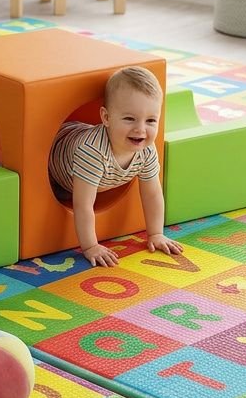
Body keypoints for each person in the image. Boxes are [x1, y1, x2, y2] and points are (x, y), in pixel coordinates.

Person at [48, 65, 183, 266]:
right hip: (59, 150)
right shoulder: (92, 152)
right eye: (129, 119)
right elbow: (83, 204)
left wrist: (156, 233)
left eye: (150, 120)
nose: (140, 129)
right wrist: (90, 246)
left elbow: (152, 194)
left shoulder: (146, 149)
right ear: (106, 118)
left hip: (85, 163)